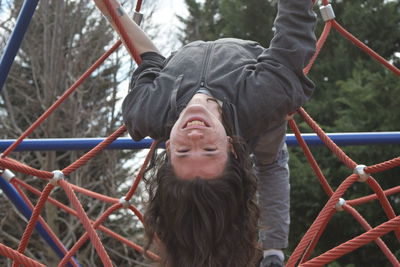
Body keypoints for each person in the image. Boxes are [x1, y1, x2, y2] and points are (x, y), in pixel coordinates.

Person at [94, 0, 317, 266]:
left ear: (167, 148)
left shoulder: (147, 113)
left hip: (188, 64)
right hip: (251, 111)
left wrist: (109, 9)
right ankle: (275, 251)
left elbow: (148, 57)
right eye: (209, 150)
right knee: (271, 161)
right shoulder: (263, 96)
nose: (195, 137)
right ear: (231, 148)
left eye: (183, 151)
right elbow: (294, 23)